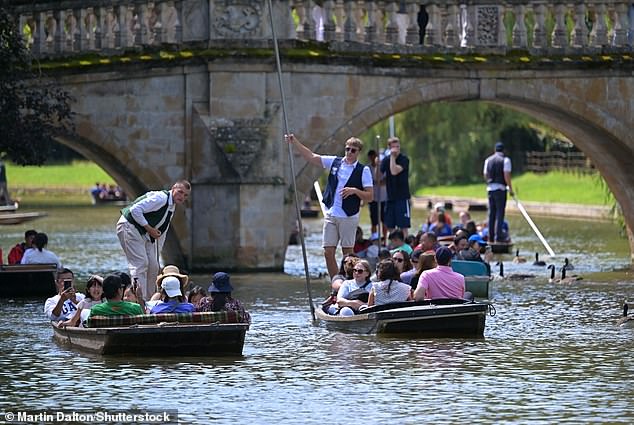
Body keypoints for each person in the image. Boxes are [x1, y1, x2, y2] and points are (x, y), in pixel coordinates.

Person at [286, 134, 373, 279]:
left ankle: (351, 283)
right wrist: (294, 142)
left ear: (358, 152)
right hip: (331, 213)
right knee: (328, 252)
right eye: (347, 149)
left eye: (353, 150)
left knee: (348, 255)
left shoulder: (363, 171)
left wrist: (355, 191)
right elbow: (312, 157)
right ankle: (336, 284)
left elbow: (370, 196)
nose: (349, 153)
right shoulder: (335, 162)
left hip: (348, 215)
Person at [116, 180, 191, 298]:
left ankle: (151, 301)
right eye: (180, 192)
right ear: (173, 188)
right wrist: (149, 228)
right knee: (141, 264)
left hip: (143, 233)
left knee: (154, 266)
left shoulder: (171, 207)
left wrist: (156, 256)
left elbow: (162, 233)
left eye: (185, 195)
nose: (182, 196)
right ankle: (140, 301)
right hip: (128, 225)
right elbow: (134, 210)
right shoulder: (161, 198)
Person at [483, 141, 514, 243]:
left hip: (490, 189)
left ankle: (490, 237)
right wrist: (511, 189)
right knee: (500, 213)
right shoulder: (505, 160)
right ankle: (498, 237)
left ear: (495, 150)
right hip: (500, 189)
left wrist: (489, 183)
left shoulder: (488, 160)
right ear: (503, 150)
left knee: (491, 213)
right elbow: (506, 175)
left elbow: (486, 174)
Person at [380, 137, 411, 236]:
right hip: (390, 198)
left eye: (398, 147)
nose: (396, 149)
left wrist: (392, 157)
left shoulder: (404, 159)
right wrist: (376, 164)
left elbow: (394, 171)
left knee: (403, 226)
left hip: (402, 197)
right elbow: (378, 177)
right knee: (389, 225)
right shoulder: (386, 160)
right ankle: (394, 245)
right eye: (393, 147)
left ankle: (406, 246)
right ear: (389, 147)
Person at [367, 149, 387, 241]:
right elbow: (367, 183)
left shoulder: (383, 168)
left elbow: (384, 181)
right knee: (374, 221)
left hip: (383, 198)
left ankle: (385, 240)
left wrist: (377, 182)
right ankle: (375, 238)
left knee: (384, 221)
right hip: (373, 199)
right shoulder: (367, 169)